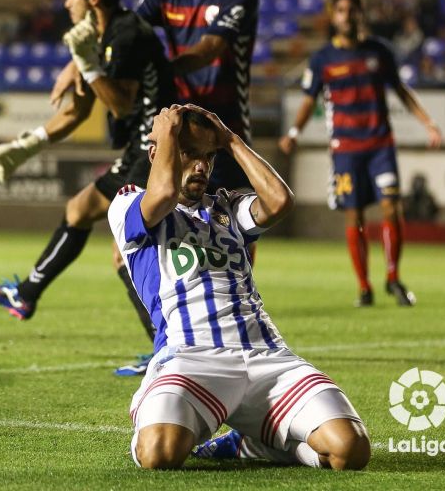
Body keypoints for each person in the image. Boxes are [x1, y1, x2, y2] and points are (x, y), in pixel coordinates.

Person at [109, 103, 370, 471]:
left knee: (350, 450)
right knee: (160, 454)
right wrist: (166, 131)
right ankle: (161, 414)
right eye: (190, 154)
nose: (201, 166)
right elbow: (164, 194)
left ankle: (251, 446)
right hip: (191, 358)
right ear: (158, 152)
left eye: (207, 156)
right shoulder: (127, 202)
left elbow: (279, 201)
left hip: (268, 358)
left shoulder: (227, 207)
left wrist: (230, 140)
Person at [0, 0, 174, 350]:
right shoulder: (98, 35)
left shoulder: (126, 34)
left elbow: (119, 103)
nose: (66, 3)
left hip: (154, 149)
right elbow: (78, 110)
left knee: (122, 250)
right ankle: (29, 294)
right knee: (84, 214)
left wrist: (87, 65)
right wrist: (22, 148)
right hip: (142, 147)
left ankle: (167, 348)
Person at [278, 0, 442, 308]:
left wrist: (428, 123)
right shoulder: (323, 58)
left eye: (352, 10)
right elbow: (309, 99)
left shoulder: (378, 52)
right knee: (355, 214)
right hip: (346, 149)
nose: (347, 15)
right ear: (333, 16)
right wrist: (294, 131)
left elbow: (401, 90)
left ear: (360, 14)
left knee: (392, 206)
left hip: (380, 144)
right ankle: (364, 286)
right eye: (340, 10)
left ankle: (393, 278)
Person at [136, 0, 259, 195]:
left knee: (237, 225)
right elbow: (126, 37)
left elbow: (209, 50)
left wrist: (159, 71)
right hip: (177, 128)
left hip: (225, 128)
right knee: (144, 212)